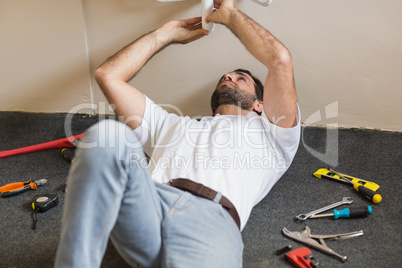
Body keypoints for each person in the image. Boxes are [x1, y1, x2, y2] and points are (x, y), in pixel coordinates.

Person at [55, 0, 300, 267]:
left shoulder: (273, 134)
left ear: (259, 105)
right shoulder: (175, 126)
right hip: (149, 203)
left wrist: (229, 15)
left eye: (241, 77)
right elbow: (108, 75)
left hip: (212, 221)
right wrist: (167, 34)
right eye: (228, 75)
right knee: (108, 136)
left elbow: (280, 60)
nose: (229, 75)